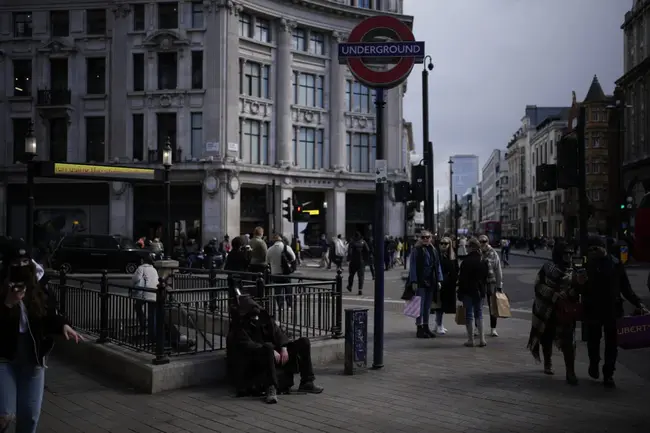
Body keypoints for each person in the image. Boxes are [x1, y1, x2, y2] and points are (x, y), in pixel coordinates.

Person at [0, 239, 83, 433]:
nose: (21, 267)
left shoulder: (38, 284)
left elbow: (49, 312)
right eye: (16, 263)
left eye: (24, 262)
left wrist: (63, 325)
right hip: (3, 357)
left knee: (29, 417)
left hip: (33, 356)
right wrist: (8, 304)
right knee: (5, 414)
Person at [227, 295, 323, 403]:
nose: (255, 318)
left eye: (256, 315)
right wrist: (270, 350)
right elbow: (248, 345)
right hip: (257, 359)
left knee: (304, 342)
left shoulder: (264, 320)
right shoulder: (239, 327)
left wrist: (284, 347)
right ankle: (271, 388)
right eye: (253, 316)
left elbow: (279, 334)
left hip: (275, 355)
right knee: (267, 347)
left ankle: (307, 382)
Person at [582, 236, 649, 388]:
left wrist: (638, 303)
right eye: (590, 249)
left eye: (595, 248)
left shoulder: (615, 263)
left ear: (602, 248)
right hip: (593, 308)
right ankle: (594, 363)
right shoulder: (587, 263)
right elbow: (580, 286)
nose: (593, 252)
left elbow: (625, 287)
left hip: (612, 309)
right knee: (593, 340)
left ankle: (608, 374)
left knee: (611, 343)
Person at [527, 240, 584, 385]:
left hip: (565, 312)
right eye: (565, 253)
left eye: (571, 253)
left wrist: (574, 288)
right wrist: (553, 294)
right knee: (546, 337)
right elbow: (538, 285)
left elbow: (578, 291)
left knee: (569, 342)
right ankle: (548, 362)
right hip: (547, 310)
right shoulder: (547, 267)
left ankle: (570, 372)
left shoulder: (575, 271)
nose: (569, 256)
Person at [407, 230, 443, 338]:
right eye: (423, 237)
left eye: (428, 237)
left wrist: (439, 279)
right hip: (420, 281)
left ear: (431, 238)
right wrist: (413, 281)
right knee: (419, 306)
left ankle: (426, 327)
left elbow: (437, 265)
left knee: (427, 306)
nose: (425, 239)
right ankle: (419, 328)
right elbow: (412, 266)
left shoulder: (433, 250)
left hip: (431, 280)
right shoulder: (416, 250)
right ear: (420, 238)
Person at [457, 238, 489, 347]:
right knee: (479, 314)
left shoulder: (465, 262)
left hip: (467, 291)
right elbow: (485, 277)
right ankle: (482, 339)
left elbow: (461, 279)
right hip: (479, 290)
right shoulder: (482, 260)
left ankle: (471, 340)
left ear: (471, 247)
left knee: (469, 315)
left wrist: (459, 292)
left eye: (467, 246)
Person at [478, 234, 504, 337]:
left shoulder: (493, 253)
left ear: (487, 242)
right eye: (480, 241)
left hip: (491, 283)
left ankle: (493, 329)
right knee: (478, 306)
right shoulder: (477, 253)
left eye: (484, 241)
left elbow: (498, 270)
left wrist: (499, 284)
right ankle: (477, 328)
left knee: (492, 306)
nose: (482, 243)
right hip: (480, 283)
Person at [131, 254, 159, 343]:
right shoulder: (154, 269)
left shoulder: (141, 268)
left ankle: (143, 323)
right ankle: (153, 336)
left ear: (143, 261)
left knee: (137, 306)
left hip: (143, 293)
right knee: (152, 314)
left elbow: (135, 279)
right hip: (154, 293)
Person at [433, 236, 458, 335]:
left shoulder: (452, 256)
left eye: (446, 243)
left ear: (449, 245)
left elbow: (455, 269)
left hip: (449, 284)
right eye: (442, 243)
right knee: (439, 305)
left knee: (443, 305)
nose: (443, 245)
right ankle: (438, 324)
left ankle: (438, 324)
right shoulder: (436, 255)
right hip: (440, 283)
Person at [267, 235, 296, 314]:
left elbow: (267, 261)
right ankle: (289, 305)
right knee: (288, 289)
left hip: (275, 273)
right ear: (281, 240)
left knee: (278, 290)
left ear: (274, 241)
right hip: (285, 272)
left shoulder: (270, 249)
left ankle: (281, 306)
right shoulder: (286, 247)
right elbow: (293, 257)